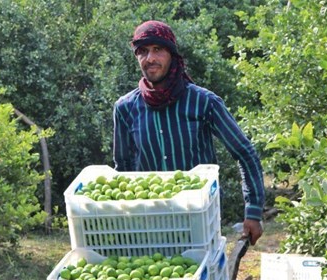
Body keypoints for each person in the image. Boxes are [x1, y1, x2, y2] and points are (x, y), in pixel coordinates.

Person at [113, 20, 265, 244]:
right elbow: (123, 167)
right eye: (143, 52)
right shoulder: (126, 108)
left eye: (158, 50)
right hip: (147, 225)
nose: (150, 59)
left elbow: (244, 153)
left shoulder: (203, 102)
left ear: (172, 55)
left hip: (199, 221)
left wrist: (252, 211)